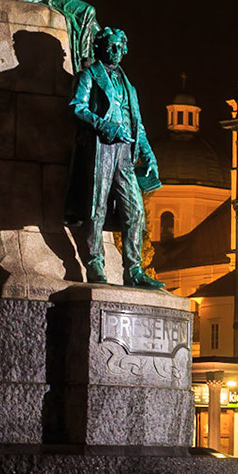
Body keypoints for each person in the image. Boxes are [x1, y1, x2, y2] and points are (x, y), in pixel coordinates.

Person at [67, 27, 164, 288]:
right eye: (111, 46)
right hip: (102, 147)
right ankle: (94, 262)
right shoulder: (89, 75)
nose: (116, 51)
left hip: (125, 152)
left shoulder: (128, 85)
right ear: (99, 48)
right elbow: (77, 107)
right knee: (96, 207)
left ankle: (133, 270)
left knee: (135, 210)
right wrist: (104, 126)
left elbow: (138, 124)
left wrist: (149, 156)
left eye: (120, 47)